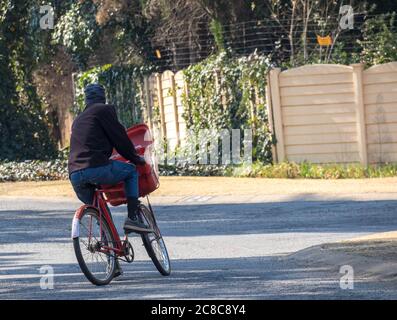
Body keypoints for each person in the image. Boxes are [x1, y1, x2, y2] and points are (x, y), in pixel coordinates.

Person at [68, 83, 151, 234]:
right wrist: (135, 158)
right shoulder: (104, 110)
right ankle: (133, 218)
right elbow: (119, 138)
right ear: (103, 97)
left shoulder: (78, 120)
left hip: (74, 175)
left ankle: (109, 245)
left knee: (102, 214)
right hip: (94, 168)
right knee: (131, 171)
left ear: (86, 100)